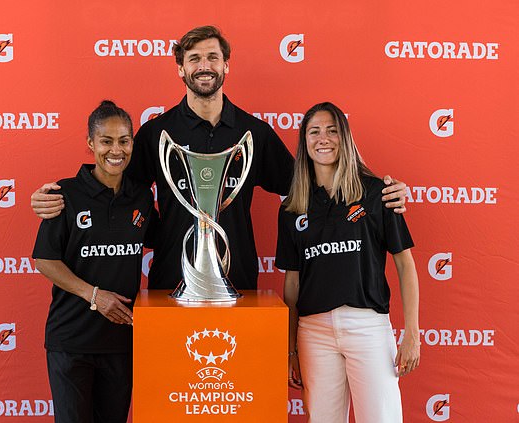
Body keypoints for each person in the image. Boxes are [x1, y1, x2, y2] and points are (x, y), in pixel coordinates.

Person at [31, 25, 408, 291]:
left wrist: (377, 188)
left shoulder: (253, 133)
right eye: (194, 58)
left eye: (212, 56)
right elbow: (115, 193)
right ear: (181, 68)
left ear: (227, 65)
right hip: (170, 281)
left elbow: (310, 182)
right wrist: (60, 200)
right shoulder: (155, 133)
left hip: (237, 280)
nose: (204, 65)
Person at [275, 102, 420, 423]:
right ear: (304, 142)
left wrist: (412, 332)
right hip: (313, 333)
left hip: (368, 326)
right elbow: (292, 283)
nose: (323, 138)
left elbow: (405, 265)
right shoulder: (291, 208)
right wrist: (291, 348)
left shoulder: (378, 192)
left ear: (345, 138)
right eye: (314, 132)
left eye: (332, 130)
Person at [32, 101, 155, 423]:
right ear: (91, 143)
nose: (116, 150)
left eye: (124, 140)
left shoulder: (141, 195)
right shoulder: (65, 194)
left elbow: (163, 239)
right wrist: (94, 295)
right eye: (106, 141)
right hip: (72, 341)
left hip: (121, 342)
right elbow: (45, 260)